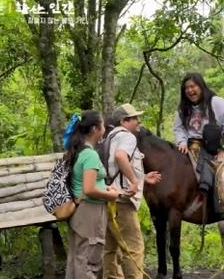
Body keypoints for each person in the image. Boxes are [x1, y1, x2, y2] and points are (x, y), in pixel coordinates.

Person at [102, 103, 161, 279]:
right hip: (122, 202)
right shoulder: (127, 137)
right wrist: (134, 181)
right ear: (124, 121)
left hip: (108, 198)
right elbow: (121, 157)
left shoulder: (108, 137)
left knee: (110, 248)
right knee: (134, 248)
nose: (138, 121)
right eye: (135, 118)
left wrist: (142, 177)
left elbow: (113, 168)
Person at [173, 72, 224, 218]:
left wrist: (222, 150)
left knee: (223, 176)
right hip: (192, 146)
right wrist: (181, 141)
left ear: (201, 86)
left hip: (217, 146)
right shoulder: (183, 108)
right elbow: (178, 128)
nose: (190, 90)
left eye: (193, 86)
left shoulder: (216, 102)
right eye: (186, 88)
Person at [64, 110, 120, 279]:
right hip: (91, 212)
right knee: (90, 260)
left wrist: (105, 188)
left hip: (78, 211)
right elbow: (89, 189)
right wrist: (111, 195)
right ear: (96, 129)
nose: (104, 129)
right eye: (103, 125)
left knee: (76, 258)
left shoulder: (77, 152)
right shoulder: (90, 155)